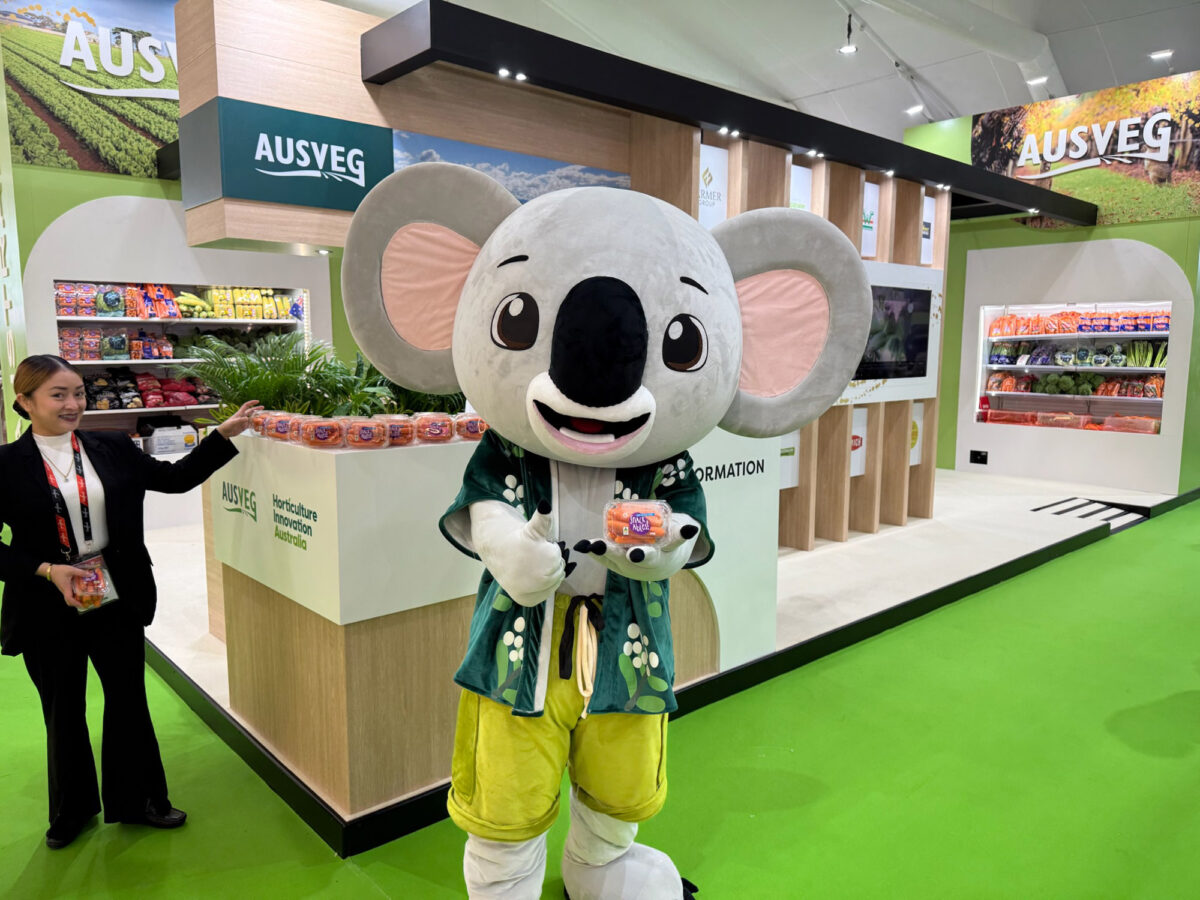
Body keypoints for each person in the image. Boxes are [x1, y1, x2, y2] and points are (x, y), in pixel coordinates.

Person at [0, 354, 260, 849]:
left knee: (127, 700)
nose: (74, 404)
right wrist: (47, 569)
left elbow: (175, 478)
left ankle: (141, 801)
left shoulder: (112, 446)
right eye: (58, 395)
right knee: (62, 708)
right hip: (45, 602)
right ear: (25, 401)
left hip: (115, 593)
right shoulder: (6, 464)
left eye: (79, 393)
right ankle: (71, 810)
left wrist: (223, 436)